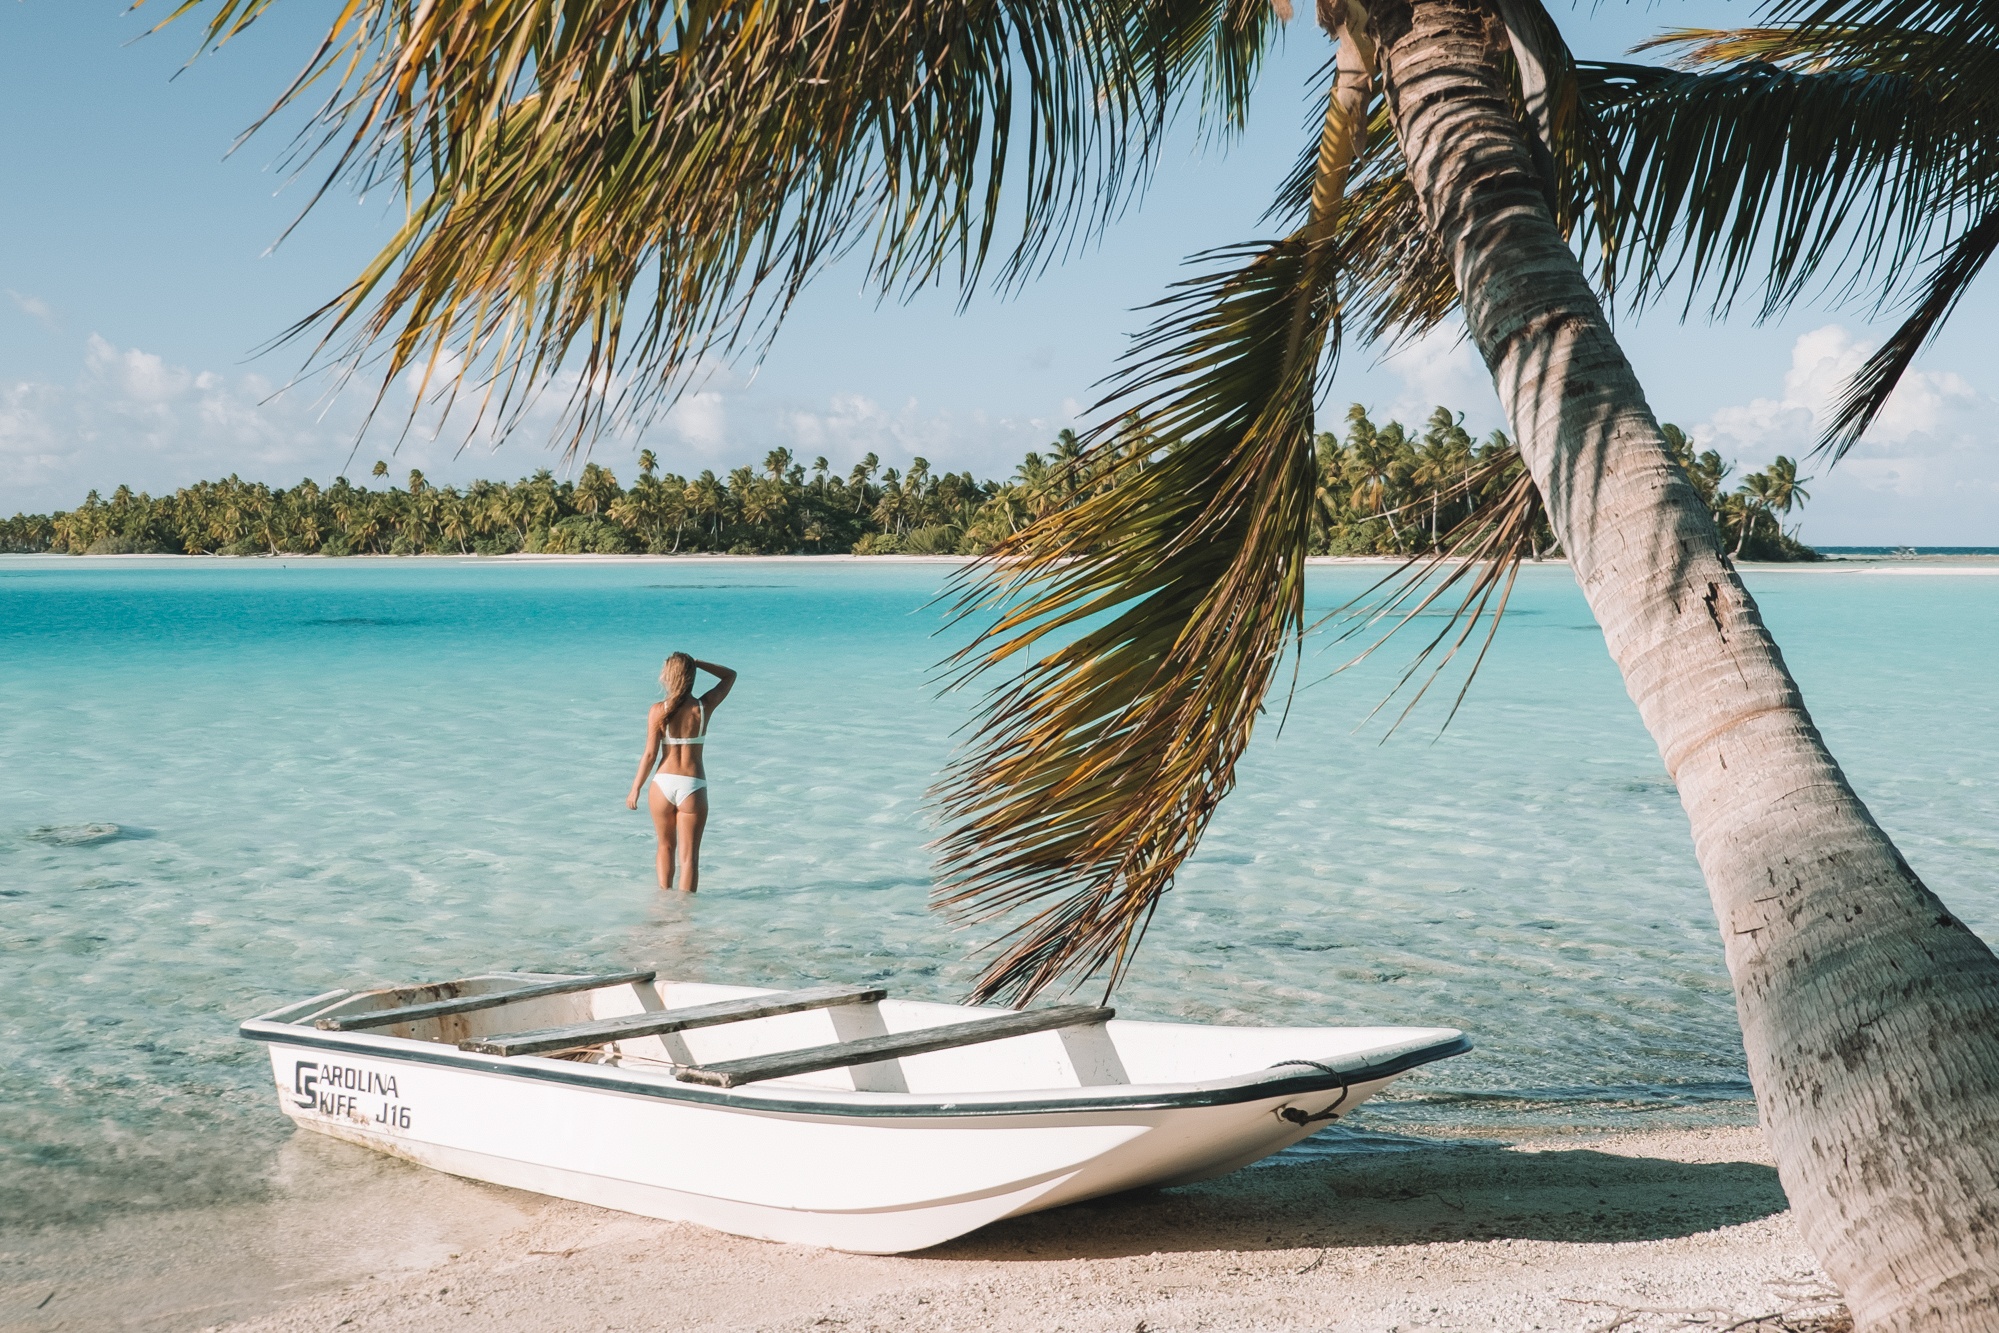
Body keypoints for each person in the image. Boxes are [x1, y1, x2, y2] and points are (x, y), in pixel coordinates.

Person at [626, 653, 736, 892]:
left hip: (662, 784)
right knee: (689, 858)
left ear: (668, 676)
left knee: (665, 847)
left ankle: (664, 907)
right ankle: (684, 918)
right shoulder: (703, 707)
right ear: (690, 676)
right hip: (692, 785)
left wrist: (635, 788)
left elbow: (649, 755)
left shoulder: (658, 710)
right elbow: (730, 675)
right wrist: (699, 663)